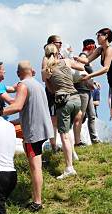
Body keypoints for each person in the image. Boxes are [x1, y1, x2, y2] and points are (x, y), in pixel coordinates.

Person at [2, 61, 54, 212]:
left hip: (32, 133)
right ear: (32, 71)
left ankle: (37, 202)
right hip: (43, 129)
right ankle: (36, 198)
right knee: (37, 166)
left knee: (35, 167)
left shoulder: (22, 85)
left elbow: (17, 106)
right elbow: (30, 111)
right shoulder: (38, 85)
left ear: (18, 73)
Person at [43, 44, 83, 179]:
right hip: (76, 98)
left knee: (64, 135)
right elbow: (82, 67)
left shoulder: (47, 70)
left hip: (64, 100)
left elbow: (50, 89)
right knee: (68, 130)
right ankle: (72, 153)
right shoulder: (66, 61)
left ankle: (69, 168)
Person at [77, 39, 101, 145]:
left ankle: (94, 139)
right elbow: (80, 72)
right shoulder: (82, 57)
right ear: (91, 47)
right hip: (82, 90)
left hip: (87, 90)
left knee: (91, 115)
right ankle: (79, 140)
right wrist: (89, 82)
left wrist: (94, 81)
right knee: (81, 116)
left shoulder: (87, 59)